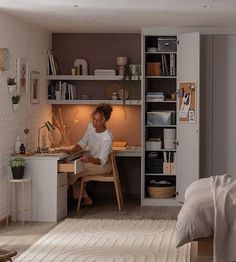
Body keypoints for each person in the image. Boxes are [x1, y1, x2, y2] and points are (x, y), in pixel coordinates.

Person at [68, 103, 113, 205]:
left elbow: (102, 160)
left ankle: (73, 196)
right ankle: (84, 197)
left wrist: (89, 159)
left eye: (98, 120)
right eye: (93, 119)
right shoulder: (90, 127)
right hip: (93, 163)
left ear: (104, 121)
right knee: (72, 169)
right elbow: (82, 143)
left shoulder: (107, 137)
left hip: (103, 166)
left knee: (73, 171)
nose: (94, 122)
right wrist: (71, 151)